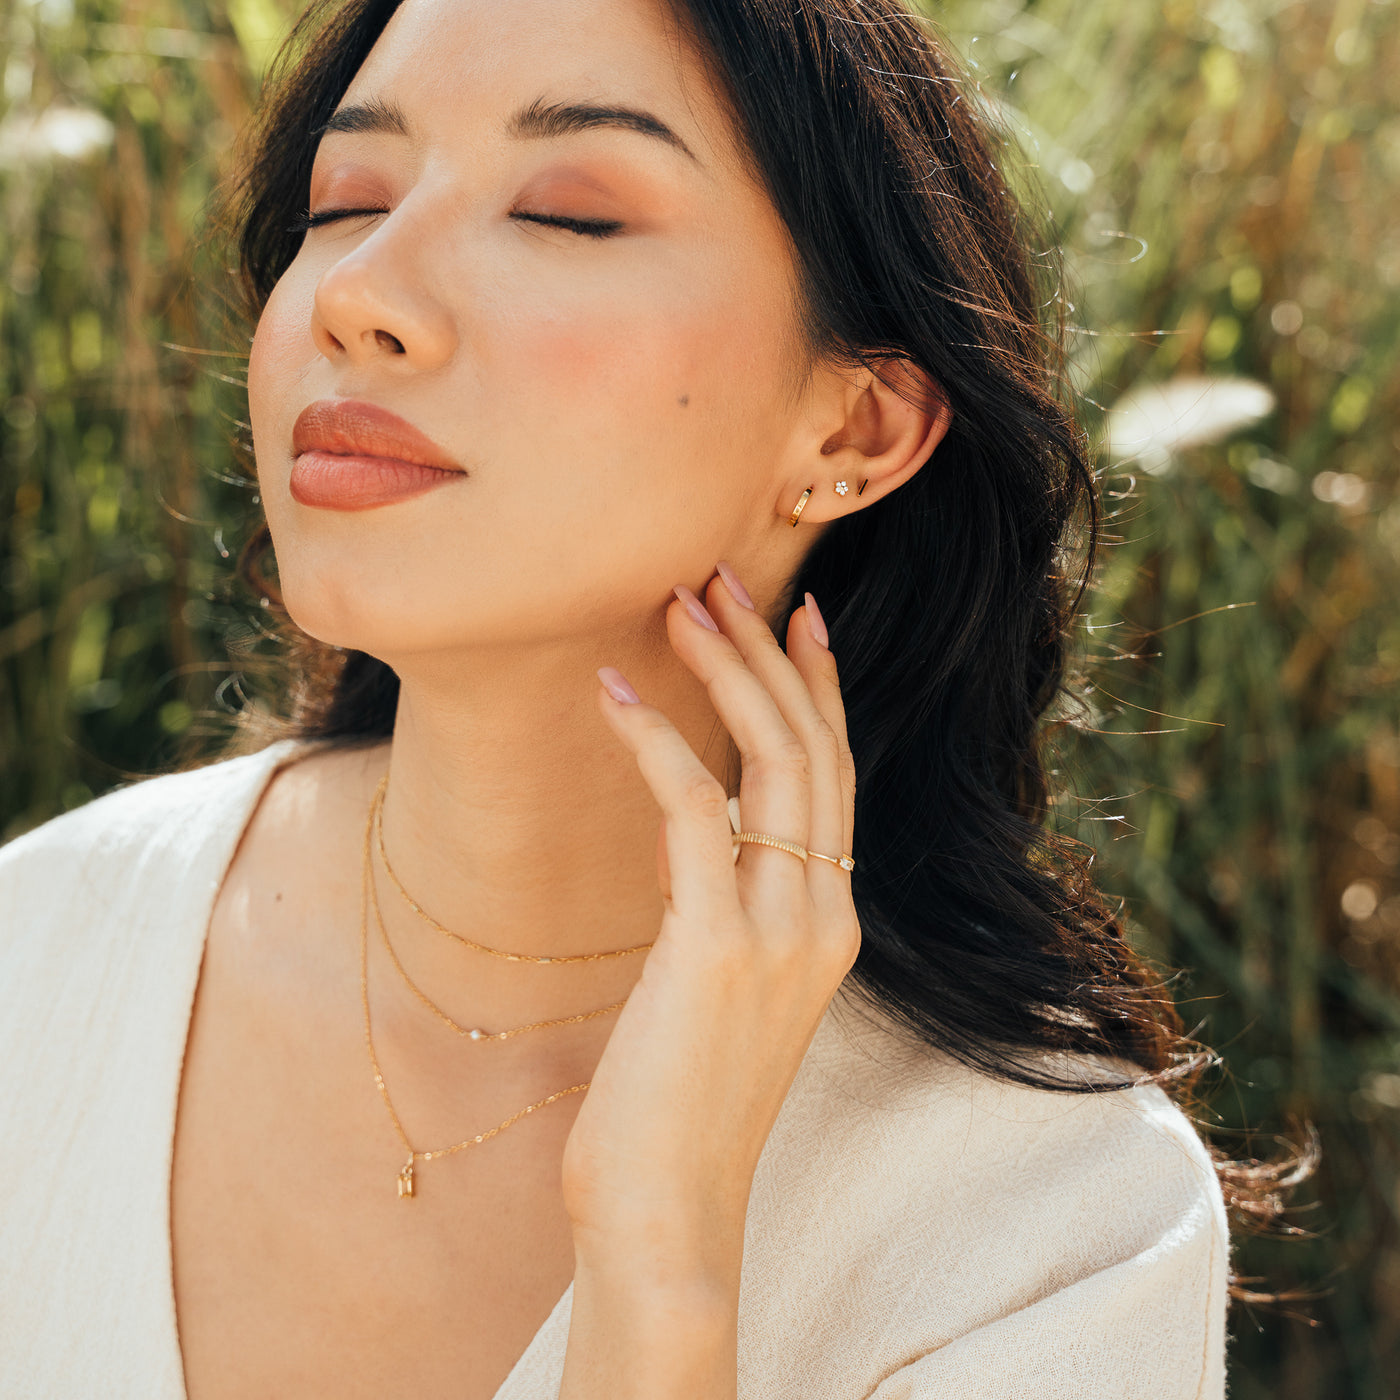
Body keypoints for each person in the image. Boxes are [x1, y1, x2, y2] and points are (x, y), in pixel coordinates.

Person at [0, 0, 1240, 1395]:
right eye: (344, 201)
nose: (358, 292)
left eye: (568, 214)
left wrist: (664, 1257)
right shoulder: (40, 952)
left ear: (854, 426)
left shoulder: (1055, 1233)